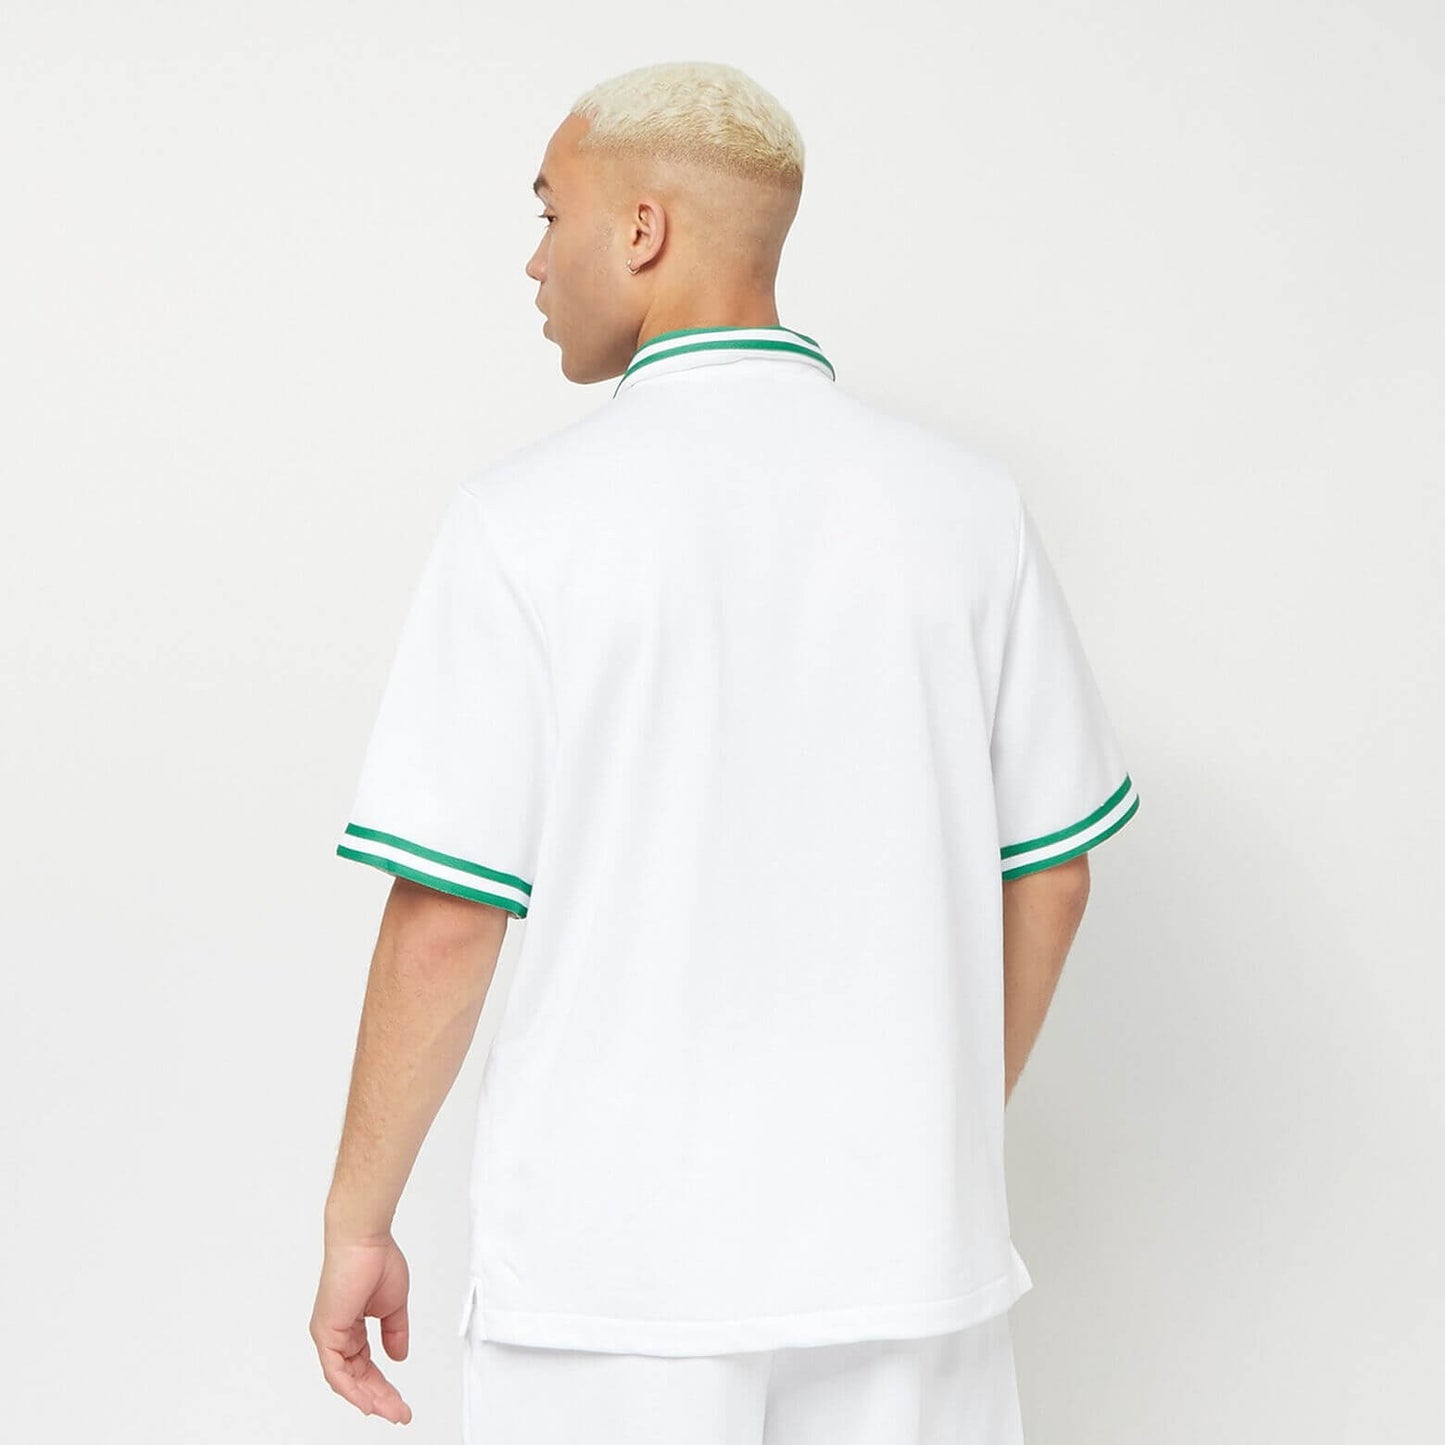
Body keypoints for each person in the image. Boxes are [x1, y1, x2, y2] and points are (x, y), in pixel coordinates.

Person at [309, 59, 1139, 1444]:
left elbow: (448, 917)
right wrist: (928, 1136)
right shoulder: (967, 509)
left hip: (610, 1286)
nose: (533, 260)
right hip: (906, 1269)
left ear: (641, 230)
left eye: (549, 212)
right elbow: (1053, 874)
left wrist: (357, 1220)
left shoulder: (524, 523)